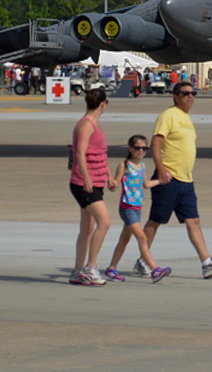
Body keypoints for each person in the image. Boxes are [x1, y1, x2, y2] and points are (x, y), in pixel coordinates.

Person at [143, 82, 212, 280]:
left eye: (193, 93)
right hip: (168, 178)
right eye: (185, 94)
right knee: (156, 220)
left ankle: (207, 263)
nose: (190, 97)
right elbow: (155, 145)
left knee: (194, 220)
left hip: (186, 180)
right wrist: (161, 169)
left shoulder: (186, 118)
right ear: (176, 96)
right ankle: (143, 260)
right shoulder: (168, 116)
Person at [103, 135, 172, 283]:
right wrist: (112, 184)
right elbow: (115, 182)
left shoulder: (142, 165)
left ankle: (111, 269)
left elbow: (146, 184)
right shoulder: (124, 165)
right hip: (127, 208)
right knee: (141, 237)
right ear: (130, 148)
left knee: (124, 239)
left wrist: (161, 181)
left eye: (144, 148)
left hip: (137, 208)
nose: (140, 151)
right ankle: (155, 269)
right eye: (137, 148)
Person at [69, 88, 113, 285]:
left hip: (96, 181)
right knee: (104, 222)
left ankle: (78, 270)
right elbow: (80, 153)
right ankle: (90, 267)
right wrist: (86, 178)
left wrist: (109, 176)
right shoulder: (86, 125)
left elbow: (100, 154)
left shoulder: (96, 124)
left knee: (88, 228)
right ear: (102, 105)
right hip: (83, 183)